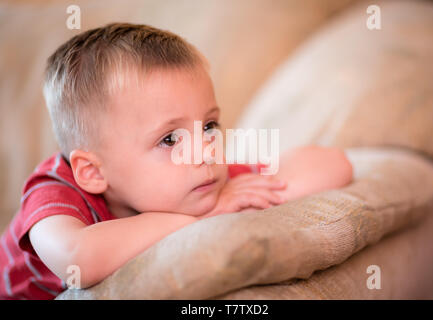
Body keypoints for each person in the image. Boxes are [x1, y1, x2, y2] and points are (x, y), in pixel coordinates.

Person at [0, 23, 353, 299]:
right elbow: (78, 259)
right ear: (93, 172)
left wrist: (248, 192)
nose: (204, 150)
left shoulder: (200, 176)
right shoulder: (54, 191)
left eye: (210, 125)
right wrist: (202, 215)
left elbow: (334, 165)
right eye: (170, 139)